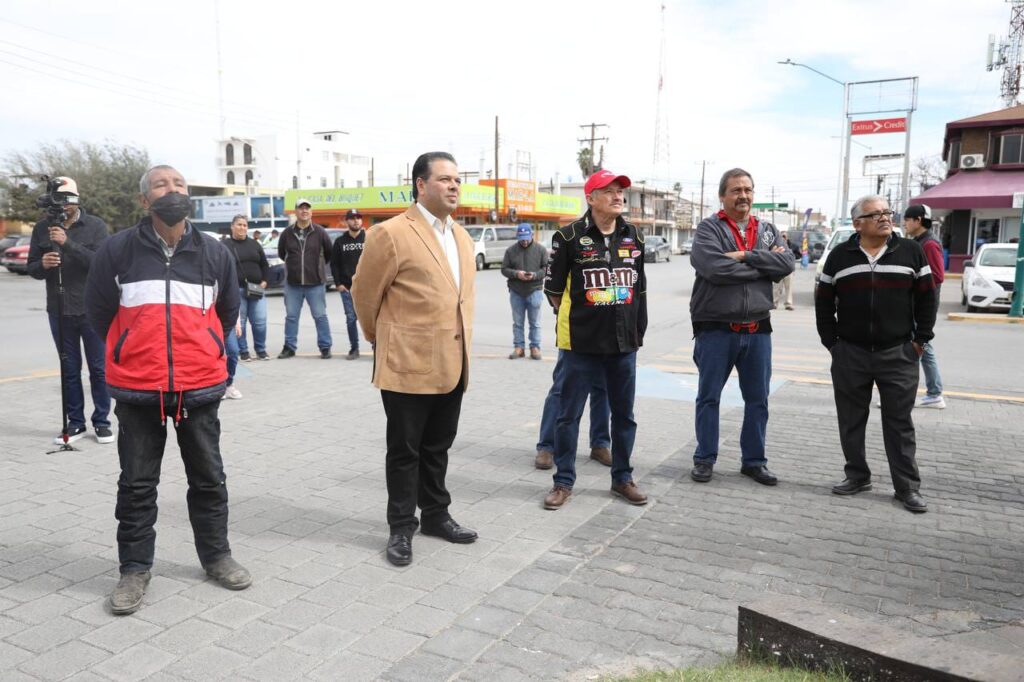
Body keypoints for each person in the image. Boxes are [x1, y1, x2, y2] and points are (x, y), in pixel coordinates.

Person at [85, 165, 251, 615]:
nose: (172, 191)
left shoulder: (214, 253)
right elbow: (99, 313)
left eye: (179, 184)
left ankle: (216, 556)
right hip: (139, 390)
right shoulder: (116, 251)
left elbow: (229, 309)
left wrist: (208, 349)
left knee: (209, 479)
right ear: (145, 200)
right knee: (137, 485)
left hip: (198, 388)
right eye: (161, 185)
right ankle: (134, 569)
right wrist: (131, 348)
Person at [352, 151, 477, 566]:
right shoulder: (390, 233)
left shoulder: (460, 235)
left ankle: (437, 515)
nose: (454, 185)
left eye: (457, 179)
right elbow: (365, 294)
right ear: (420, 185)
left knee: (438, 446)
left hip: (452, 361)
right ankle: (401, 526)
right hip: (406, 363)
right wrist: (381, 338)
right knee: (405, 451)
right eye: (444, 179)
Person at [815, 195, 936, 513]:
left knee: (899, 423)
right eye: (876, 214)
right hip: (850, 353)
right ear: (857, 223)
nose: (885, 218)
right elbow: (824, 302)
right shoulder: (840, 256)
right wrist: (833, 344)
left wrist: (920, 340)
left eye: (887, 212)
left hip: (898, 353)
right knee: (851, 419)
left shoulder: (911, 251)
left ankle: (907, 487)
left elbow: (927, 299)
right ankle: (857, 476)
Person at [541, 169, 649, 510]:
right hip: (580, 345)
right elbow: (554, 292)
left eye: (621, 191)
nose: (619, 196)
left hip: (623, 345)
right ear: (591, 198)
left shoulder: (634, 236)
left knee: (625, 415)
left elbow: (638, 289)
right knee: (568, 415)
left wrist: (634, 330)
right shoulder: (568, 236)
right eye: (610, 191)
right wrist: (586, 320)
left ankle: (622, 478)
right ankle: (563, 482)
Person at [689, 168, 794, 486]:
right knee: (709, 397)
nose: (743, 195)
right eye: (736, 190)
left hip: (758, 329)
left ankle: (754, 461)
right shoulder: (709, 229)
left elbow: (787, 264)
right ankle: (705, 458)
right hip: (716, 329)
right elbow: (714, 269)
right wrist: (764, 266)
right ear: (722, 196)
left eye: (748, 189)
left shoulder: (767, 229)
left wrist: (747, 255)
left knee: (758, 399)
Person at [26, 176, 114, 445]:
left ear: (76, 202)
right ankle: (75, 423)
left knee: (98, 369)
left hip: (91, 310)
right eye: (56, 203)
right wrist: (43, 263)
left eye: (66, 202)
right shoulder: (42, 228)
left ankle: (102, 422)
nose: (62, 208)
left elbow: (100, 263)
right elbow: (32, 269)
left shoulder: (96, 226)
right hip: (59, 309)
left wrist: (67, 243)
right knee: (69, 369)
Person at [534, 351, 611, 469]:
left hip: (606, 339)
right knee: (561, 387)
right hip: (572, 337)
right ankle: (547, 446)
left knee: (602, 387)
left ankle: (600, 444)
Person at [277, 199, 332, 359]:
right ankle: (289, 347)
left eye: (307, 208)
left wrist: (316, 268)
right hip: (293, 283)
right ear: (296, 212)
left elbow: (328, 253)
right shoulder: (287, 233)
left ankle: (325, 346)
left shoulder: (320, 232)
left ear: (311, 212)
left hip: (315, 282)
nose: (304, 211)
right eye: (301, 209)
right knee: (291, 317)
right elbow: (282, 254)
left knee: (320, 316)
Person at [904, 204, 945, 409]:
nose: (905, 224)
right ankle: (934, 392)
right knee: (922, 347)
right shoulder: (920, 241)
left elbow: (937, 276)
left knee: (920, 346)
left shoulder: (929, 244)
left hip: (923, 305)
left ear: (918, 220)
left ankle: (933, 392)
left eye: (907, 220)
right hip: (916, 303)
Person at [224, 214, 270, 371]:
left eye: (244, 225)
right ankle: (243, 351)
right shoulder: (225, 245)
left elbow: (265, 265)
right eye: (239, 224)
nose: (242, 227)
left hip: (257, 289)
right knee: (240, 323)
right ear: (232, 226)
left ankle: (261, 350)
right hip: (235, 290)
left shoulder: (255, 244)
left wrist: (264, 281)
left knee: (260, 321)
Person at [501, 223, 548, 360]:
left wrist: (534, 275)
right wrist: (517, 274)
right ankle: (519, 347)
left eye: (527, 238)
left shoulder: (541, 250)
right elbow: (504, 269)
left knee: (535, 323)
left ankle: (535, 347)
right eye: (522, 238)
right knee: (518, 322)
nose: (525, 241)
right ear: (518, 237)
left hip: (535, 290)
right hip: (516, 291)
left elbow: (546, 269)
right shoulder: (510, 251)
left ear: (532, 235)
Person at [329, 208, 366, 360]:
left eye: (358, 217)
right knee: (351, 319)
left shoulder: (369, 238)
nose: (356, 220)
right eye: (352, 218)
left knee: (372, 319)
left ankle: (376, 347)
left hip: (368, 289)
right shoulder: (340, 241)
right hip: (348, 289)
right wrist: (338, 284)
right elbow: (334, 264)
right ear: (347, 221)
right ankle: (354, 348)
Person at [772, 230, 796, 311]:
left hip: (789, 271)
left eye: (785, 236)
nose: (783, 238)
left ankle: (788, 304)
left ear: (787, 237)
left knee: (789, 287)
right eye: (782, 236)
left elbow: (798, 254)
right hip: (777, 269)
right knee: (776, 287)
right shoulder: (776, 244)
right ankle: (774, 303)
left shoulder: (791, 245)